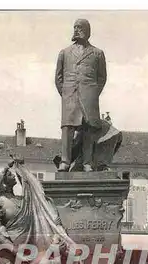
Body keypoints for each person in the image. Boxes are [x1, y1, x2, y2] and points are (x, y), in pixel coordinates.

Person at [55, 19, 107, 172]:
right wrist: (66, 94)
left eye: (80, 27)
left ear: (88, 30)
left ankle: (87, 162)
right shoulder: (64, 53)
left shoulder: (97, 53)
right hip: (70, 96)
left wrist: (92, 93)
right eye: (75, 27)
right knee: (67, 128)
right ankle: (65, 161)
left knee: (88, 128)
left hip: (89, 96)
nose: (77, 30)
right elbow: (58, 78)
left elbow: (102, 78)